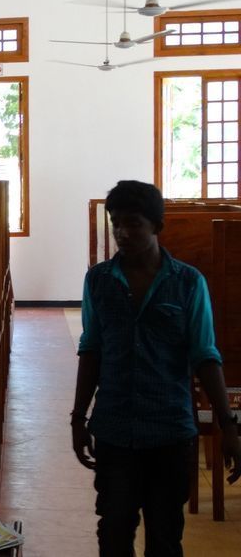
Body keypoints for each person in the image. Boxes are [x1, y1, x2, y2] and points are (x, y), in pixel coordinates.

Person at [72, 180, 241, 557]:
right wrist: (78, 418)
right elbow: (91, 350)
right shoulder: (99, 281)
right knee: (113, 532)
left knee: (165, 537)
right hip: (115, 429)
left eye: (133, 223)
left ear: (157, 226)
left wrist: (227, 425)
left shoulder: (187, 283)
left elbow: (205, 356)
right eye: (116, 223)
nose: (122, 233)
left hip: (170, 431)